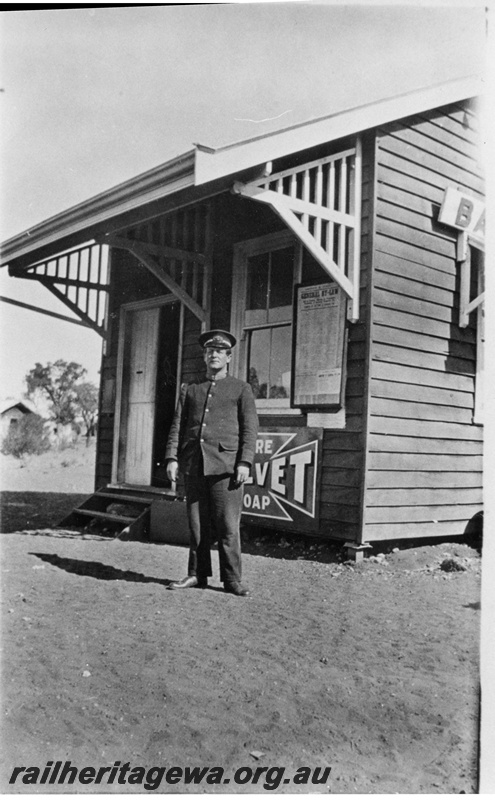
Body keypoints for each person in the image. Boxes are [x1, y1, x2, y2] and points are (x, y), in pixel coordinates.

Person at [165, 330, 259, 596]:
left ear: (228, 357)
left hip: (227, 467)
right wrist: (172, 457)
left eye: (220, 351)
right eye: (210, 351)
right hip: (194, 465)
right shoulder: (190, 389)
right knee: (197, 526)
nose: (214, 355)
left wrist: (245, 462)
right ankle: (197, 574)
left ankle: (232, 580)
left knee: (228, 526)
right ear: (204, 355)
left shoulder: (241, 389)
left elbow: (249, 430)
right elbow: (178, 425)